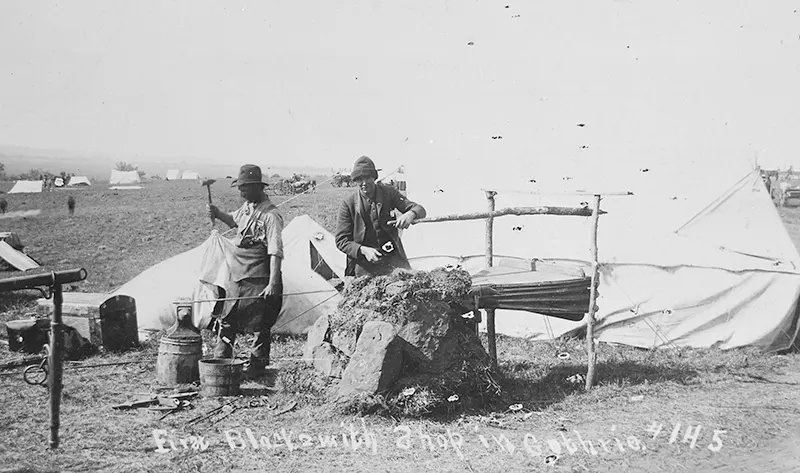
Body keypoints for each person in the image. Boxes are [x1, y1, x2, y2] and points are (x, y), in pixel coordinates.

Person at [207, 164, 284, 377]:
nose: (241, 192)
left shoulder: (271, 215)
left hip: (260, 274)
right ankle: (221, 361)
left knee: (260, 321)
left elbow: (275, 251)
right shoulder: (247, 207)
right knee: (228, 314)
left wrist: (273, 283)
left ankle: (258, 367)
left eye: (244, 188)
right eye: (240, 188)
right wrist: (218, 213)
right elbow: (235, 221)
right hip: (239, 272)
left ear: (256, 187)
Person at [335, 156, 426, 277]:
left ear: (374, 177)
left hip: (393, 259)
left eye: (367, 177)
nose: (364, 183)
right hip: (363, 265)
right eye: (359, 179)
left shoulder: (389, 193)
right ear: (355, 180)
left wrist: (411, 214)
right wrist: (363, 250)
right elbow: (341, 241)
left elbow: (420, 209)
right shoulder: (348, 203)